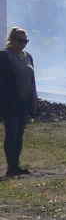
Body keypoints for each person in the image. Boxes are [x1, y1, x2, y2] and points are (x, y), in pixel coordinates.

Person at [0, 27, 37, 177]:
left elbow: (32, 81)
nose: (23, 44)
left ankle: (16, 165)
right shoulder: (4, 56)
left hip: (24, 102)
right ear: (12, 40)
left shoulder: (28, 57)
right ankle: (11, 167)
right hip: (10, 102)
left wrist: (33, 101)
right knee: (12, 134)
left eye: (25, 41)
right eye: (20, 40)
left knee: (19, 135)